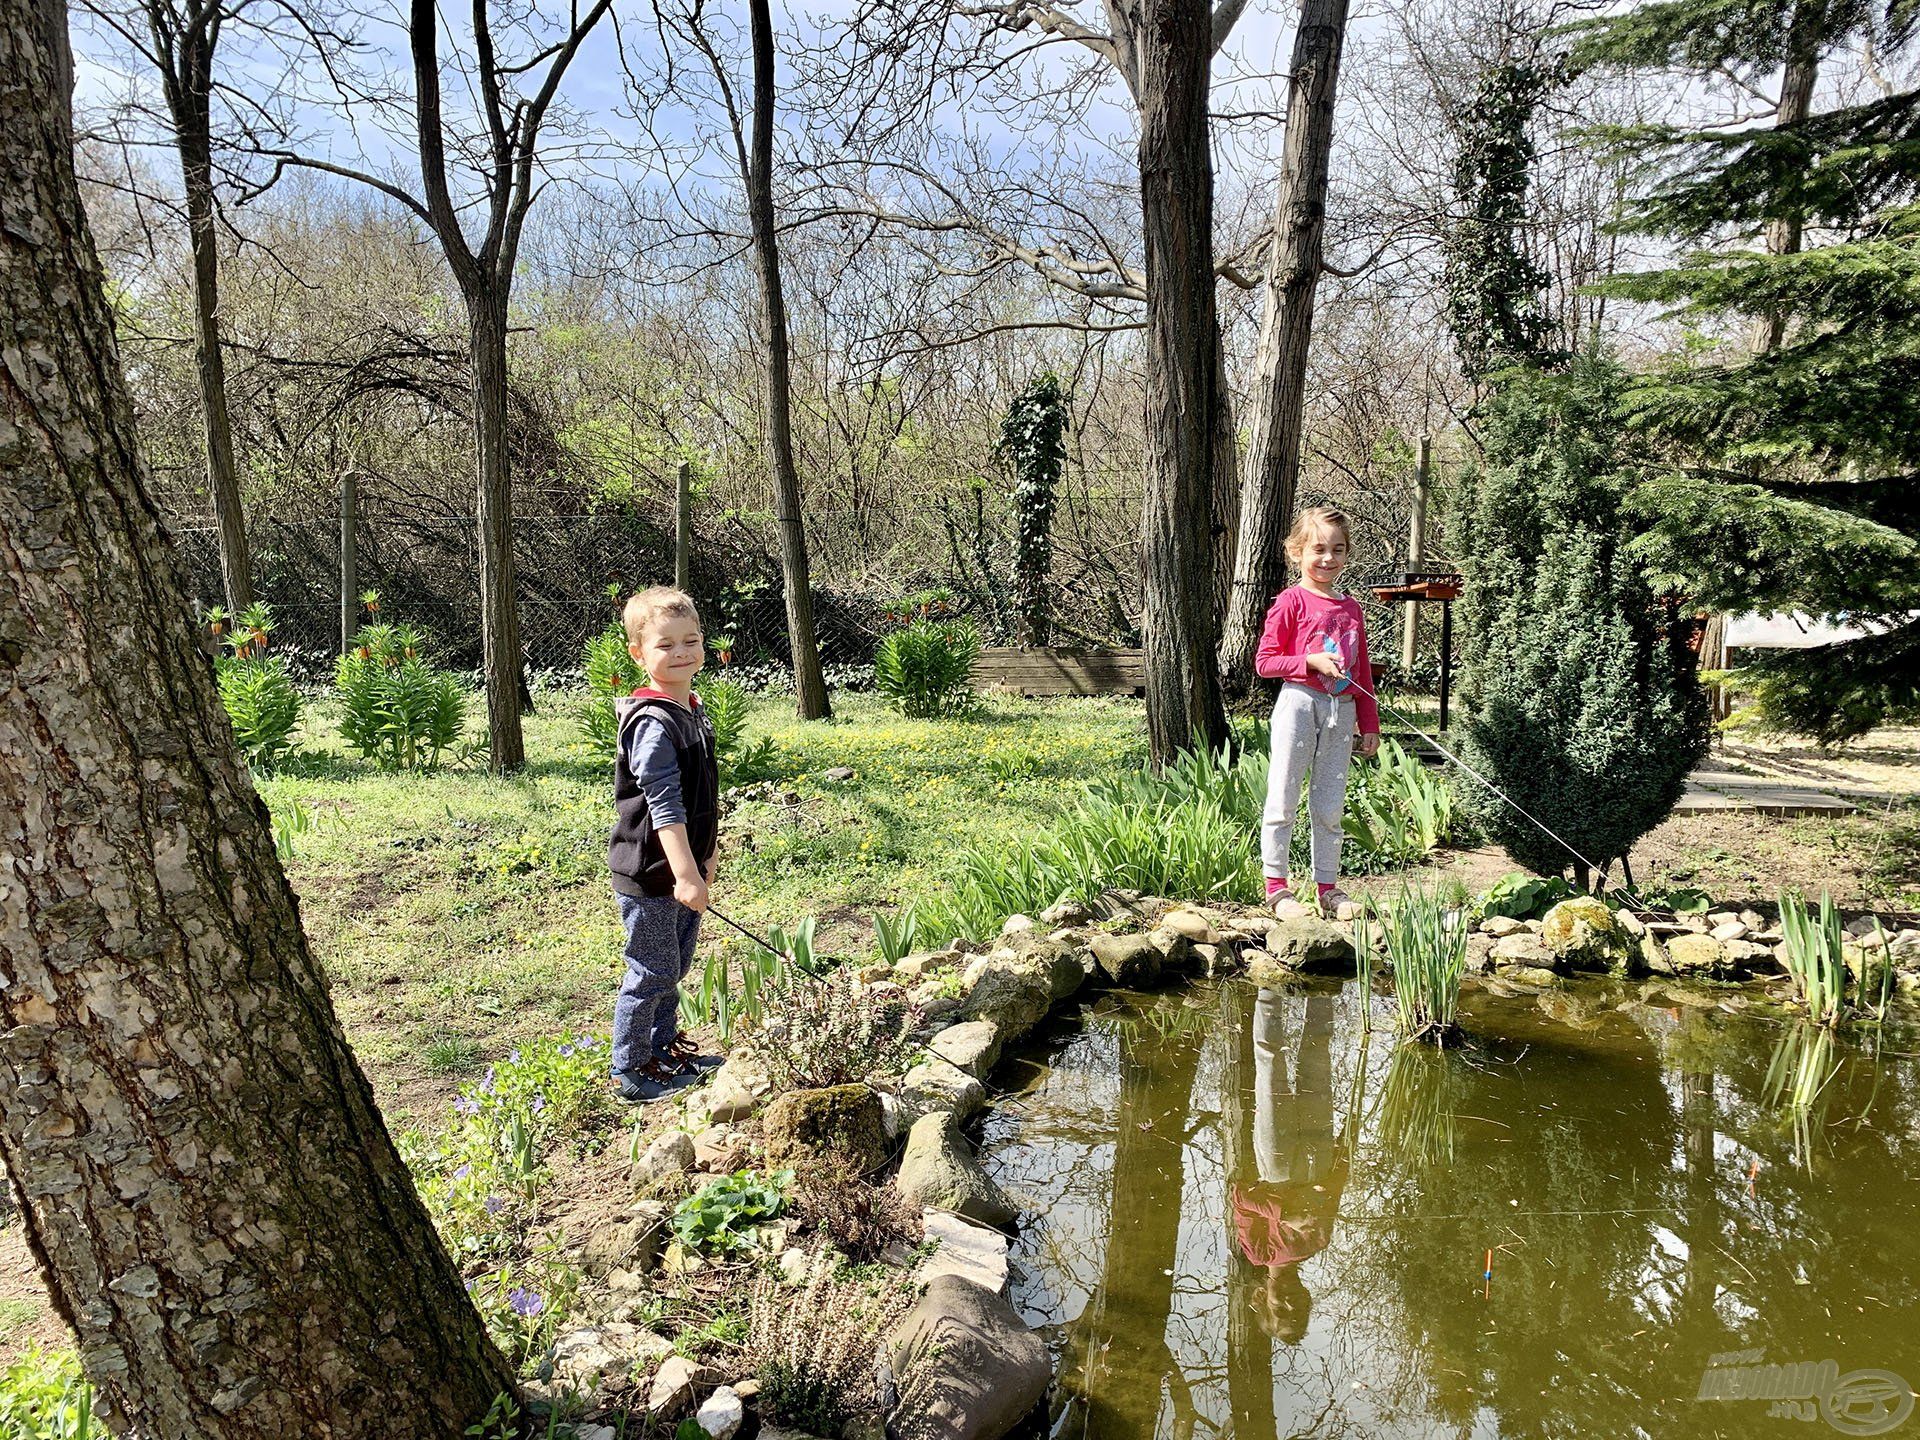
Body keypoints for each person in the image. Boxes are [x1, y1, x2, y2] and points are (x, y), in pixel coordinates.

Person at [607, 586, 722, 1104]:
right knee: (651, 970)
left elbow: (704, 796)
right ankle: (630, 1068)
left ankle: (663, 1047)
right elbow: (664, 806)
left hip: (681, 869)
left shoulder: (691, 709)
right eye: (665, 645)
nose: (681, 653)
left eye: (691, 640)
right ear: (639, 653)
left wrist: (707, 856)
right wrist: (685, 875)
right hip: (652, 873)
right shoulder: (653, 723)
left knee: (673, 966)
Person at [1254, 505, 1380, 922]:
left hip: (1341, 713)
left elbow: (1360, 671)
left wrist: (1369, 723)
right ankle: (1277, 888)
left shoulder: (1352, 609)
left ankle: (1328, 888)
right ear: (1296, 552)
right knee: (1283, 798)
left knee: (1329, 805)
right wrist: (1309, 661)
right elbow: (1265, 662)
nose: (1328, 558)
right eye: (1319, 549)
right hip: (1298, 706)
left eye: (1338, 550)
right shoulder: (1290, 601)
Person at [1230, 991, 1349, 1343]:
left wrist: (1285, 1215)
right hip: (1319, 1157)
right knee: (1317, 1061)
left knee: (1270, 1070)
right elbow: (1334, 1190)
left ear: (1262, 1300)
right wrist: (1343, 1155)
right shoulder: (1319, 1241)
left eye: (1281, 1311)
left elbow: (1240, 1197)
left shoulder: (1258, 1253)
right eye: (1299, 1311)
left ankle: (1268, 990)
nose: (1291, 1305)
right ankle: (1322, 986)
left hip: (1278, 1163)